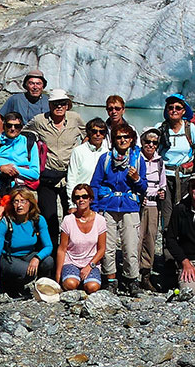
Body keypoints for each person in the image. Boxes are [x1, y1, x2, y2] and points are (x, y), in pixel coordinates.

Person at [23, 88, 86, 247]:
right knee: (48, 216)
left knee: (71, 215)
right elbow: (22, 133)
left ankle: (71, 251)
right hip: (47, 176)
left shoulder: (75, 119)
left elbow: (89, 134)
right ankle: (50, 254)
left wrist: (82, 151)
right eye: (55, 104)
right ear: (49, 105)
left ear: (67, 105)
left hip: (70, 176)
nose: (59, 107)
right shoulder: (39, 120)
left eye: (63, 103)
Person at [90, 123, 147, 296]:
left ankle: (132, 280)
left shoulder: (138, 159)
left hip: (129, 207)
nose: (122, 140)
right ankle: (111, 280)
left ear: (132, 139)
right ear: (113, 140)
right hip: (108, 207)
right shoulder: (105, 159)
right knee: (107, 247)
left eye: (126, 137)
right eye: (118, 137)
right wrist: (95, 207)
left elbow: (144, 187)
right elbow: (95, 183)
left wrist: (137, 179)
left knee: (130, 246)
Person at [0, 187, 54, 301]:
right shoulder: (6, 222)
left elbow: (49, 246)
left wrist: (37, 258)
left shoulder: (38, 220)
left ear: (30, 203)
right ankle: (10, 285)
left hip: (29, 255)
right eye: (16, 201)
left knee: (48, 261)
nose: (19, 205)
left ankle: (42, 288)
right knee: (26, 271)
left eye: (23, 201)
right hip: (8, 257)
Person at [56, 184, 107, 294]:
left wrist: (90, 266)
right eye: (77, 197)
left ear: (90, 199)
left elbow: (102, 249)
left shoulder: (100, 220)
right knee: (70, 284)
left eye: (84, 196)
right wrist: (58, 275)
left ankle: (83, 281)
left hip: (91, 262)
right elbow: (62, 249)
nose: (81, 200)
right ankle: (73, 279)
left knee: (92, 287)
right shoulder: (68, 220)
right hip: (71, 261)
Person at [0, 112, 41, 205]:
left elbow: (35, 174)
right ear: (4, 126)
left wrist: (13, 169)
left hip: (24, 191)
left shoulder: (29, 143)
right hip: (1, 191)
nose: (13, 129)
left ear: (22, 127)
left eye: (17, 126)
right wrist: (0, 169)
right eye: (9, 125)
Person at [157, 94, 195, 210]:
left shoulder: (190, 128)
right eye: (171, 108)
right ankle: (166, 229)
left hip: (185, 177)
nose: (174, 110)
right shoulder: (160, 128)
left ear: (183, 111)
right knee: (166, 212)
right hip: (164, 177)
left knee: (184, 210)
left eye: (177, 108)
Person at [137, 127, 167, 292]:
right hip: (138, 205)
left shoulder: (160, 161)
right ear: (141, 142)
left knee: (150, 239)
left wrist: (161, 192)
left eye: (154, 142)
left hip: (154, 205)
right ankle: (132, 274)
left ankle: (145, 274)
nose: (150, 145)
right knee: (137, 239)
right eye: (147, 141)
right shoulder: (136, 158)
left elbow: (162, 184)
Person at [0, 68, 48, 135]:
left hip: (42, 138)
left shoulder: (48, 101)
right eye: (31, 83)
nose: (35, 87)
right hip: (19, 139)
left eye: (38, 84)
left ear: (43, 86)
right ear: (26, 85)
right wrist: (0, 138)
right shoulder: (15, 99)